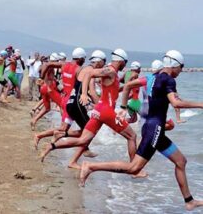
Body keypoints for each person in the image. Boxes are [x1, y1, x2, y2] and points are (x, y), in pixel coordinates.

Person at [79, 50, 203, 211]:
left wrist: (123, 107)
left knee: (181, 161)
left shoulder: (153, 77)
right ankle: (91, 166)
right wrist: (200, 104)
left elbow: (129, 85)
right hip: (155, 129)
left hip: (152, 128)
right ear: (174, 65)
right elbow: (176, 103)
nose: (181, 70)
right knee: (134, 168)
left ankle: (189, 201)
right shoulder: (169, 80)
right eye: (181, 66)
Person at [40, 49, 146, 178]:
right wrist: (84, 94)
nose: (125, 65)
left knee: (82, 140)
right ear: (120, 60)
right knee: (132, 137)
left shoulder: (112, 73)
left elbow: (112, 90)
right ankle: (134, 169)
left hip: (99, 110)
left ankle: (50, 147)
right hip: (106, 111)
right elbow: (89, 74)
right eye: (125, 62)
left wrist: (124, 88)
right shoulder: (110, 71)